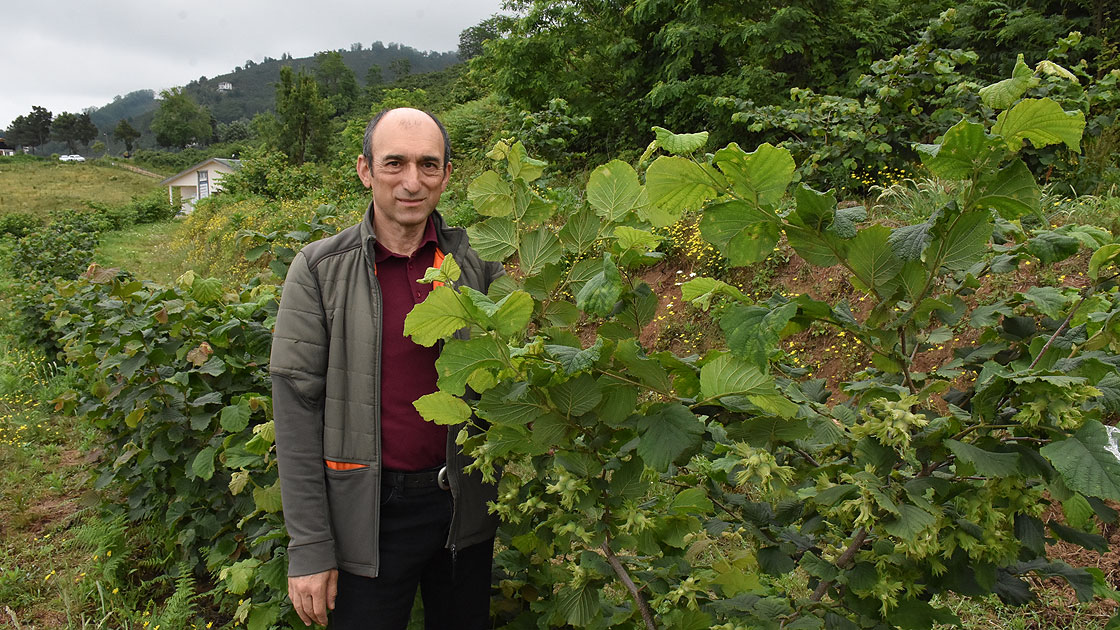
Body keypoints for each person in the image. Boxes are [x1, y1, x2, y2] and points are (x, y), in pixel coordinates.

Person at [270, 107, 504, 629]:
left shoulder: (480, 265)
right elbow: (296, 413)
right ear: (365, 170)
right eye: (394, 163)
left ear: (446, 173)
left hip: (461, 507)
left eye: (428, 165)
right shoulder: (319, 271)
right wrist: (309, 545)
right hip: (366, 515)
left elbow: (514, 382)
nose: (412, 182)